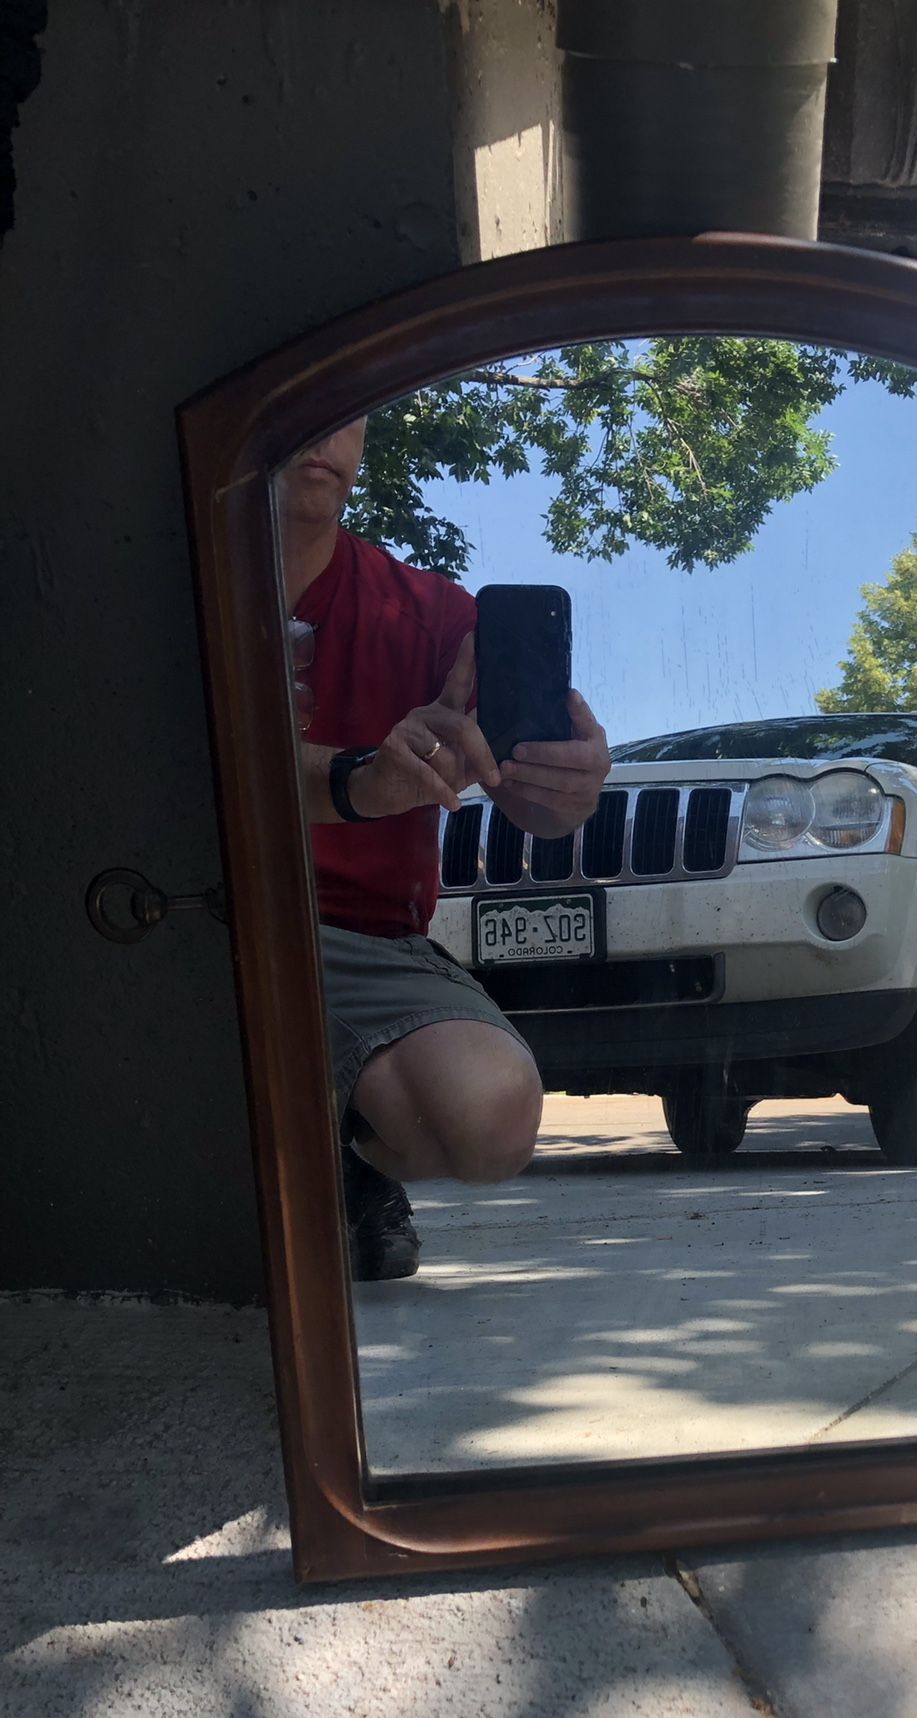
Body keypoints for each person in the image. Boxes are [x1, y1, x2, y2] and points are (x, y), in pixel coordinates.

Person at [277, 419, 611, 1281]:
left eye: (348, 402)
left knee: (489, 1116)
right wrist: (359, 779)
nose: (322, 425)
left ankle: (346, 1159)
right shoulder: (150, 590)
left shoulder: (430, 616)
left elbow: (521, 797)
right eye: (295, 392)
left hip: (361, 946)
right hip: (187, 909)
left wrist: (562, 795)